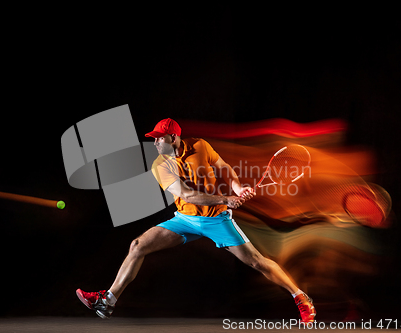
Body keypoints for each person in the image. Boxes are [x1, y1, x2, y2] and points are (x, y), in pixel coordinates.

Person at [76, 118, 316, 323]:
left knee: (256, 262)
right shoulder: (160, 165)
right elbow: (188, 195)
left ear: (173, 137)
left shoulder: (201, 146)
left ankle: (300, 296)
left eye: (160, 138)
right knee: (138, 246)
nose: (156, 142)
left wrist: (238, 187)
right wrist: (226, 197)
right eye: (155, 138)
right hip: (185, 220)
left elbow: (223, 167)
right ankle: (107, 301)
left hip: (216, 220)